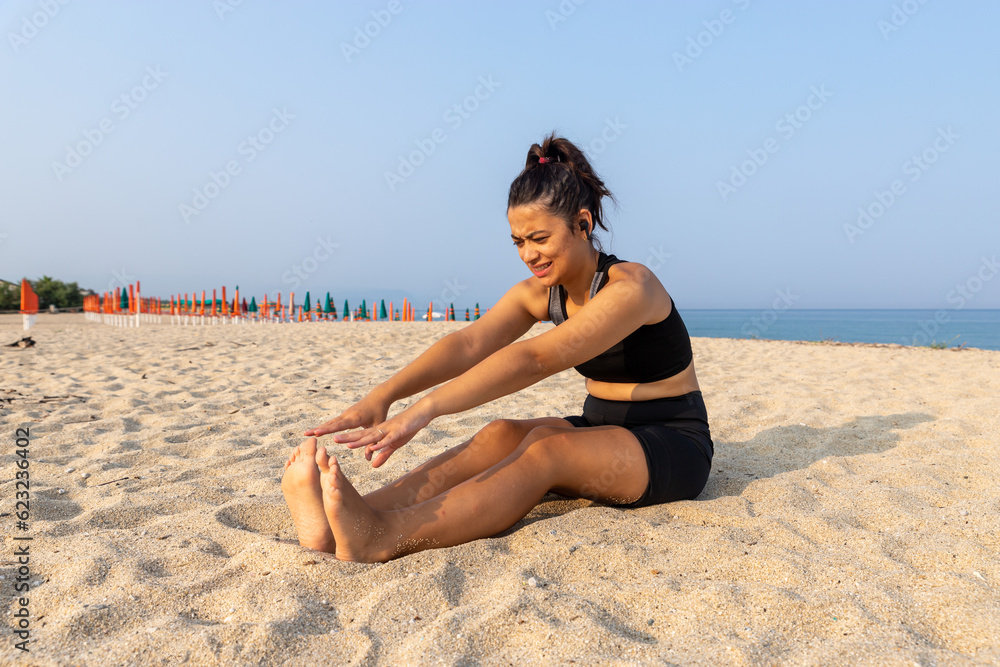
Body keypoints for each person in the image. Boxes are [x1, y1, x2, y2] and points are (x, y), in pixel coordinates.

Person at [281, 132, 713, 562]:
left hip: (671, 440)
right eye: (519, 241)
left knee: (545, 449)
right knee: (500, 433)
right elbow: (469, 343)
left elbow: (536, 358)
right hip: (600, 425)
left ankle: (383, 534)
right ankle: (360, 513)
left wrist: (424, 411)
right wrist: (384, 396)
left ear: (582, 224)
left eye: (540, 238)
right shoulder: (543, 291)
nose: (529, 254)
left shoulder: (631, 288)